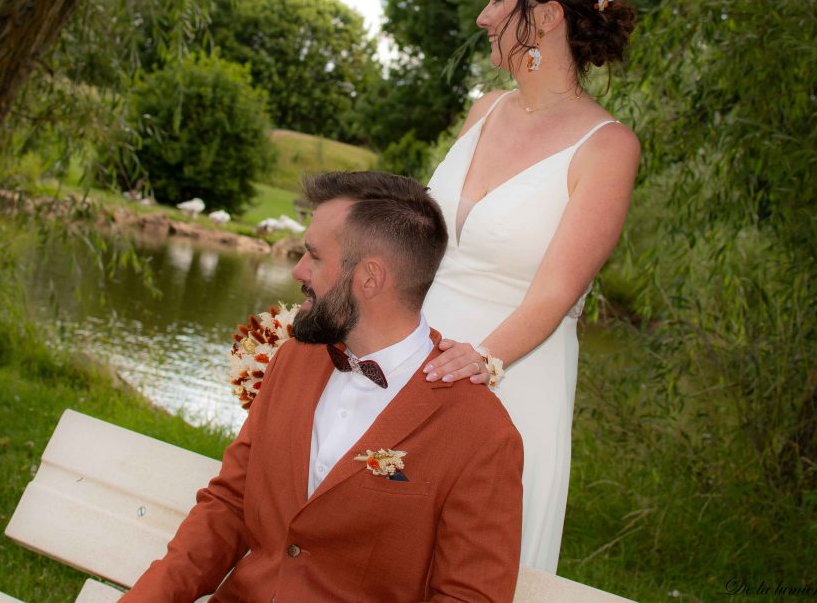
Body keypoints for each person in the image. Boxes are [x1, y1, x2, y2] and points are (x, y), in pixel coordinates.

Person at [122, 171, 524, 603]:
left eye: (313, 256)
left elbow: (469, 598)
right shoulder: (294, 360)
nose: (297, 269)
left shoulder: (481, 433)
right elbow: (230, 506)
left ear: (370, 278)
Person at [420, 0, 640, 573]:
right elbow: (426, 238)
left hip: (511, 377)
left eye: (497, 0)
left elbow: (555, 293)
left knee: (467, 567)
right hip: (416, 354)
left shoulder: (607, 148)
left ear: (545, 17)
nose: (484, 17)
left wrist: (476, 363)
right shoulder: (482, 110)